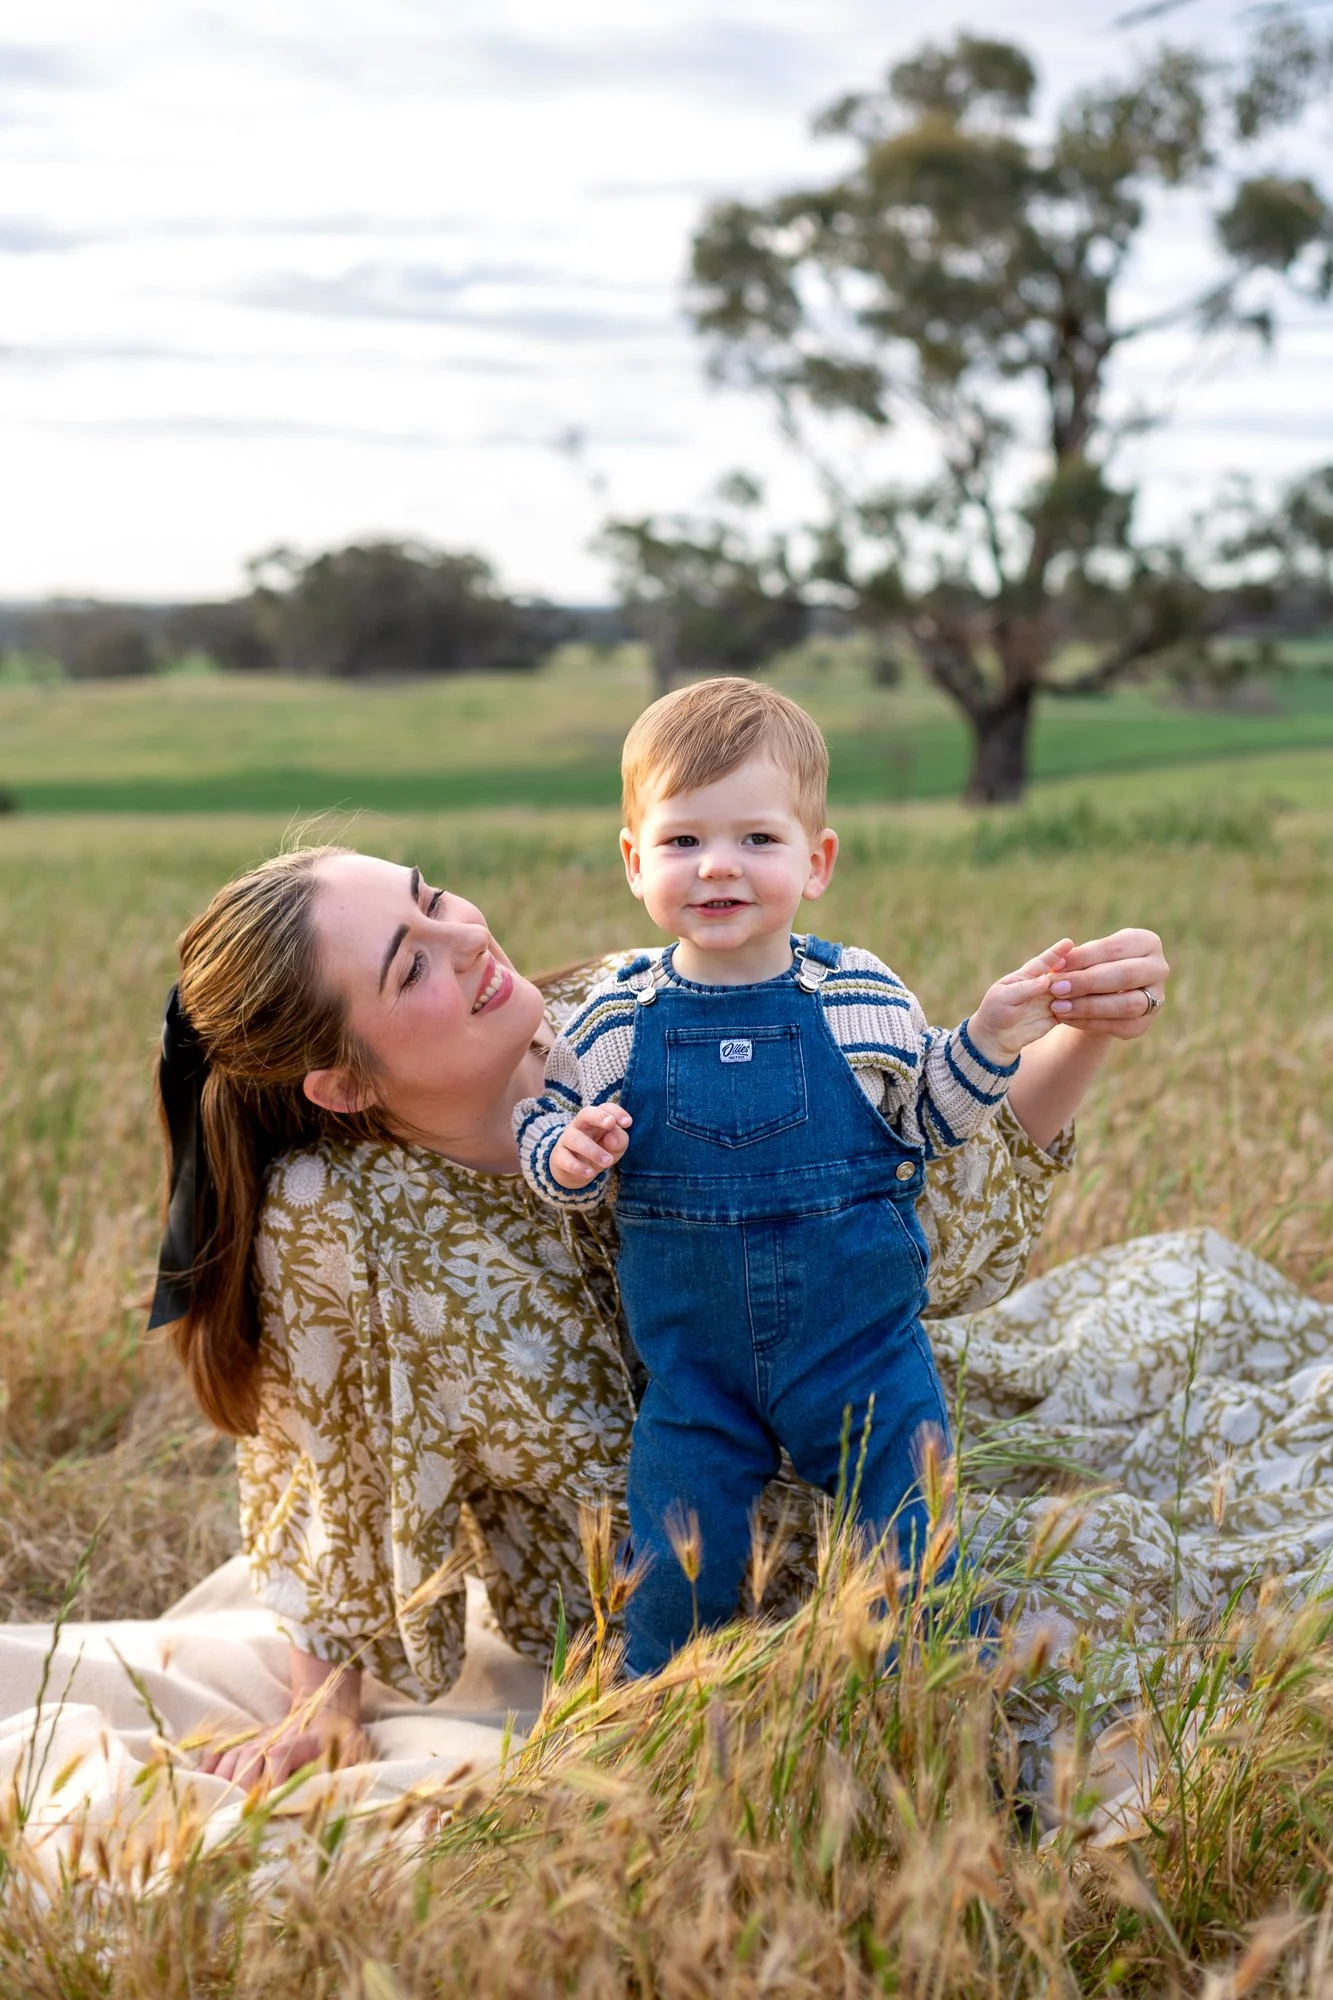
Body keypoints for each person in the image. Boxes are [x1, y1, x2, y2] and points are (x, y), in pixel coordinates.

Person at [149, 838, 1169, 1783]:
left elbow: (918, 1210)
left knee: (1103, 1611)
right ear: (342, 1082)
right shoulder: (339, 1213)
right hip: (647, 1598)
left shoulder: (636, 1012)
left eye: (433, 897)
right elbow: (333, 1450)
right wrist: (320, 1700)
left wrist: (1081, 1030)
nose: (467, 938)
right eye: (410, 964)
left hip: (861, 1461)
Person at [514, 679, 1080, 1674]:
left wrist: (987, 1034)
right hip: (695, 1375)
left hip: (863, 1351)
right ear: (633, 859)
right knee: (677, 1567)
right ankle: (664, 1715)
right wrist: (565, 1154)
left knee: (913, 1544)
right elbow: (544, 1122)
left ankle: (933, 1705)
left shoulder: (857, 988)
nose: (718, 865)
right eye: (683, 840)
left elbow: (927, 1121)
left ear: (815, 861)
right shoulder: (611, 1014)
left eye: (756, 840)